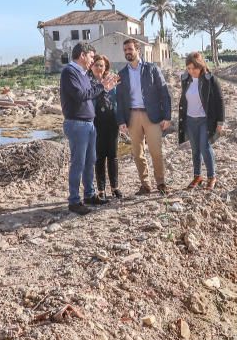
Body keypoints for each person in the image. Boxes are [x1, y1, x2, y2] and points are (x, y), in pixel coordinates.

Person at [60, 42, 116, 215]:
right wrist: (102, 87)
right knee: (78, 162)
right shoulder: (69, 72)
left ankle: (89, 195)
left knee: (90, 160)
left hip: (88, 123)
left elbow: (90, 93)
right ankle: (74, 201)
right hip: (77, 123)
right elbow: (80, 96)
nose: (93, 60)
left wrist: (102, 87)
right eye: (91, 56)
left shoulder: (83, 74)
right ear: (83, 55)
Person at [115, 37, 172, 195]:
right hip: (132, 116)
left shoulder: (152, 69)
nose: (127, 52)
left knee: (156, 151)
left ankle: (161, 183)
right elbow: (119, 100)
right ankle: (145, 185)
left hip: (152, 115)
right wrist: (121, 121)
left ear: (137, 50)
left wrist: (167, 117)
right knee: (137, 153)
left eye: (130, 49)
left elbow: (164, 93)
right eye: (125, 50)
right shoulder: (122, 74)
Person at [177, 52, 224, 190]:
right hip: (190, 120)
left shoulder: (211, 80)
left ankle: (212, 176)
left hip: (205, 120)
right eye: (189, 68)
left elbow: (219, 101)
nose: (192, 71)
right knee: (195, 149)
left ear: (201, 66)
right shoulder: (186, 79)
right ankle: (197, 176)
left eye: (194, 68)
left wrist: (220, 122)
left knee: (205, 147)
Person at [89, 54, 122, 200]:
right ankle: (101, 190)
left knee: (113, 156)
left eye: (101, 65)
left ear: (105, 67)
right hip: (96, 123)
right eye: (96, 65)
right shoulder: (88, 82)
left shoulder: (111, 80)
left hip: (112, 122)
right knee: (100, 157)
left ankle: (115, 187)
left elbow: (118, 101)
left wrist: (121, 120)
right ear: (91, 66)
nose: (99, 68)